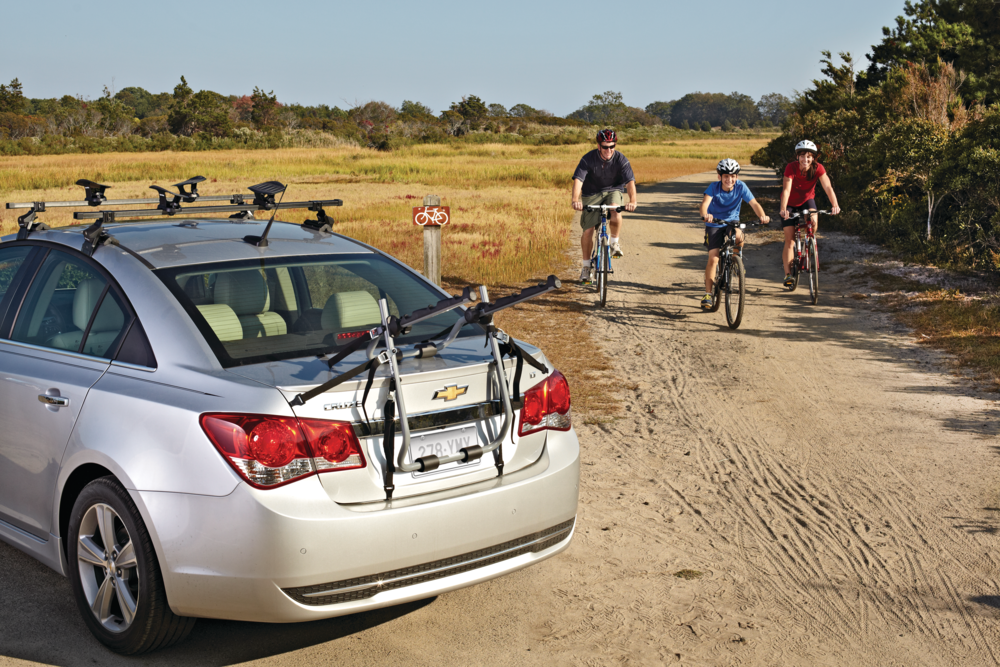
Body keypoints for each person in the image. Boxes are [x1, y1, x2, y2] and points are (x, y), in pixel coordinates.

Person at [699, 159, 770, 310]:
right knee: (713, 258)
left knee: (739, 235)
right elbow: (704, 204)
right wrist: (706, 215)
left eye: (733, 176)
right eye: (726, 176)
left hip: (732, 221)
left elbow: (754, 204)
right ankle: (708, 294)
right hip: (714, 223)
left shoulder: (741, 186)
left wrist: (762, 216)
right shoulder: (713, 187)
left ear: (736, 177)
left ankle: (737, 260)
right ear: (719, 176)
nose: (729, 179)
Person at [571, 129, 638, 283]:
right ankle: (586, 268)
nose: (609, 150)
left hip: (612, 190)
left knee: (615, 208)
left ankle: (614, 243)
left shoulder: (621, 159)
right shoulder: (588, 159)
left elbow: (630, 182)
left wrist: (633, 201)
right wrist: (575, 199)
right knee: (587, 231)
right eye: (605, 146)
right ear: (598, 146)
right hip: (591, 194)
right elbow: (578, 180)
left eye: (612, 146)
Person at [778, 140, 841, 287]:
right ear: (797, 157)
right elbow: (786, 190)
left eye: (808, 156)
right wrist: (783, 209)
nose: (805, 159)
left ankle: (808, 242)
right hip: (790, 203)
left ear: (813, 158)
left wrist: (835, 205)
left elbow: (828, 187)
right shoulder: (791, 168)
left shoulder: (818, 168)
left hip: (807, 200)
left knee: (813, 221)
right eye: (801, 156)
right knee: (790, 239)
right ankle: (788, 275)